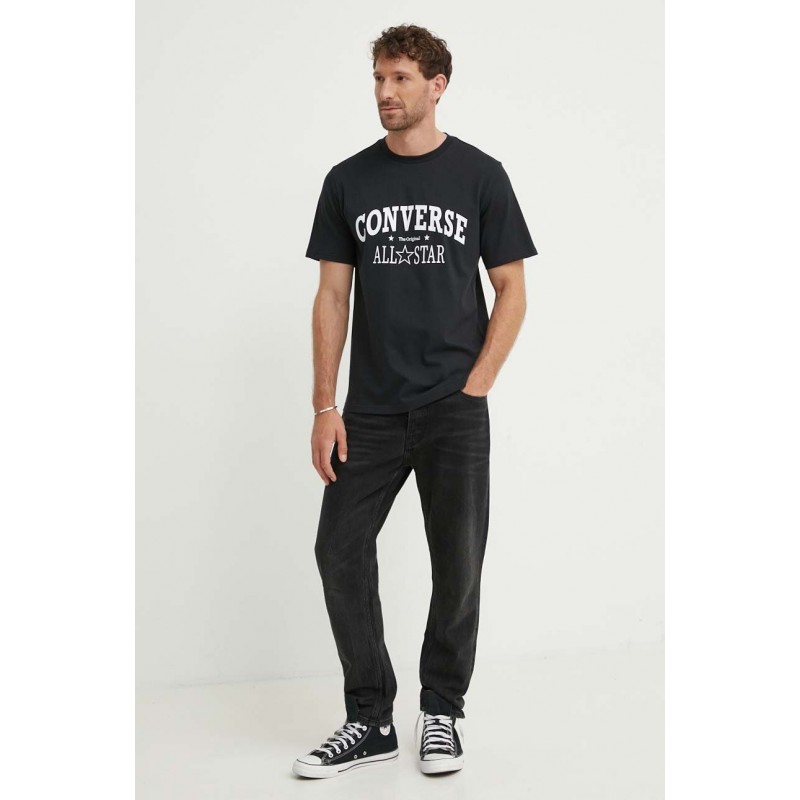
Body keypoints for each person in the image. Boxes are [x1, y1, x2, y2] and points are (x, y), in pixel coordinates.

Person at [292, 23, 538, 779]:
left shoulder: (480, 175)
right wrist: (325, 405)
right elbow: (332, 297)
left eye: (400, 78)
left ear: (437, 85)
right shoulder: (348, 181)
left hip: (453, 409)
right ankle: (370, 717)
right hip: (369, 410)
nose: (385, 92)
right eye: (378, 78)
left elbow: (512, 289)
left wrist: (477, 383)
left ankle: (442, 711)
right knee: (338, 548)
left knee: (457, 563)